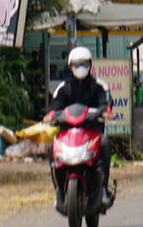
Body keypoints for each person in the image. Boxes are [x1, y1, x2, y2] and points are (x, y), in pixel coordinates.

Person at [45, 46, 113, 208]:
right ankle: (59, 190)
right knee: (50, 148)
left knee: (105, 144)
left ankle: (103, 188)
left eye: (84, 64)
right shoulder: (63, 88)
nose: (80, 68)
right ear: (70, 67)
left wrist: (106, 112)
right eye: (77, 64)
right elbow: (55, 106)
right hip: (68, 134)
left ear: (90, 65)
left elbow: (105, 103)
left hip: (92, 132)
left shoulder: (99, 85)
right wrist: (51, 115)